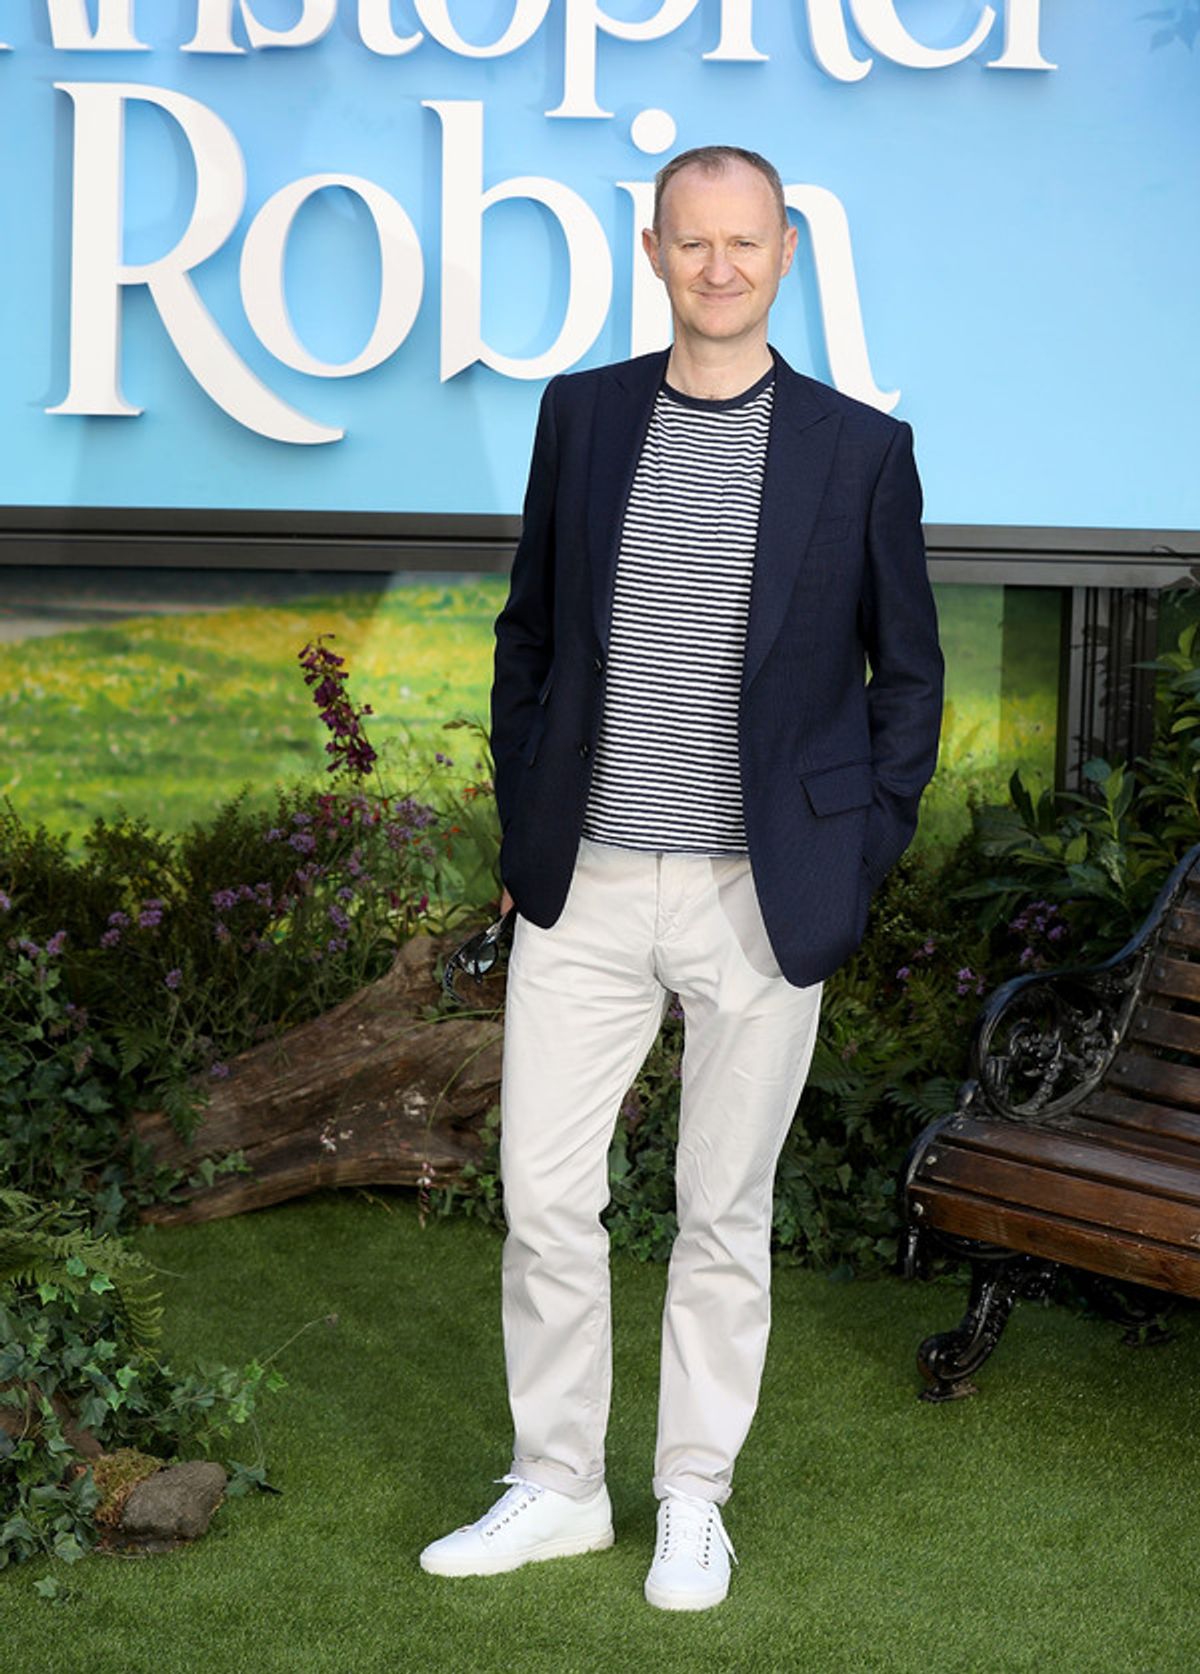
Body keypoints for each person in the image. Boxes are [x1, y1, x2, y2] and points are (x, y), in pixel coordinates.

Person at [419, 144, 944, 1611]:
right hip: (582, 884)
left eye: (746, 243)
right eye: (692, 243)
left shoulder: (858, 449)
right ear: (654, 252)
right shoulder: (583, 418)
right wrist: (530, 835)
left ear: (785, 252)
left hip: (757, 894)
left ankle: (691, 1497)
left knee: (723, 1210)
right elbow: (530, 636)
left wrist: (853, 852)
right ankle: (558, 1485)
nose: (720, 268)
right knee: (543, 1197)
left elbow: (910, 681)